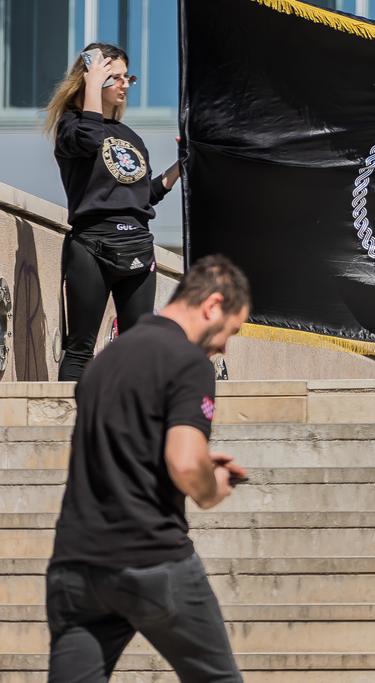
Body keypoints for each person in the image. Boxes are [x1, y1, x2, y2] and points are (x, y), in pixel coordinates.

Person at [46, 255, 251, 682]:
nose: (223, 346)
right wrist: (210, 485)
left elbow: (123, 445)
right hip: (151, 558)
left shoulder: (104, 362)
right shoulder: (188, 362)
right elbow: (182, 461)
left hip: (77, 566)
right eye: (231, 331)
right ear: (212, 305)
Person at [44, 44, 182, 382]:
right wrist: (92, 84)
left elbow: (140, 196)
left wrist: (180, 168)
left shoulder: (130, 136)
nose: (123, 84)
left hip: (137, 245)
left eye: (126, 78)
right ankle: (72, 431)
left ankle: (133, 429)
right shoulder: (71, 127)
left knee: (138, 350)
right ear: (91, 79)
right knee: (80, 349)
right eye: (113, 77)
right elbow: (90, 140)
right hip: (92, 245)